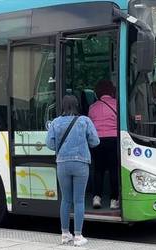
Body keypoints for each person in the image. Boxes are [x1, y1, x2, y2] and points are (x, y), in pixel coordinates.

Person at [46, 95, 100, 247]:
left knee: (66, 199)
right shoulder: (84, 121)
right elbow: (95, 141)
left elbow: (49, 144)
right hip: (80, 163)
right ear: (77, 105)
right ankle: (78, 236)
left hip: (62, 163)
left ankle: (64, 234)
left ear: (63, 106)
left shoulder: (55, 122)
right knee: (79, 200)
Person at [88, 80, 119, 210]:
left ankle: (97, 197)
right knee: (113, 170)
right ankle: (113, 200)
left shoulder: (92, 107)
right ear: (111, 90)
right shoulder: (117, 104)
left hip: (97, 141)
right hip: (113, 140)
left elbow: (90, 124)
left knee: (98, 170)